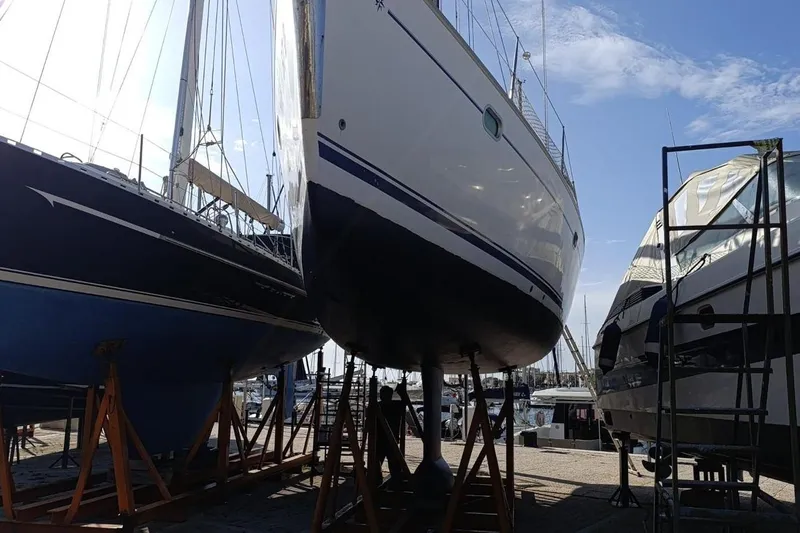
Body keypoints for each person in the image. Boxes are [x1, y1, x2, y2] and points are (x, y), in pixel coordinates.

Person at [376, 386, 404, 477]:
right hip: (390, 439)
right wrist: (401, 392)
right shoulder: (396, 406)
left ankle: (378, 480)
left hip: (380, 439)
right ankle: (395, 482)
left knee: (377, 463)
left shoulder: (377, 406)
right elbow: (405, 401)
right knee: (393, 464)